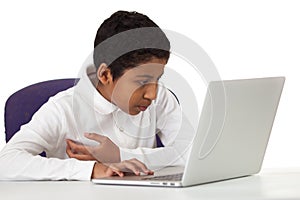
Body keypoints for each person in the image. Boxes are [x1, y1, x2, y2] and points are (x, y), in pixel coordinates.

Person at [0, 10, 194, 180]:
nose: (152, 94)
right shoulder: (63, 108)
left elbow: (193, 154)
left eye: (158, 79)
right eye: (142, 82)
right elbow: (6, 162)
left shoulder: (160, 98)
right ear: (105, 74)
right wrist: (92, 169)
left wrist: (120, 155)